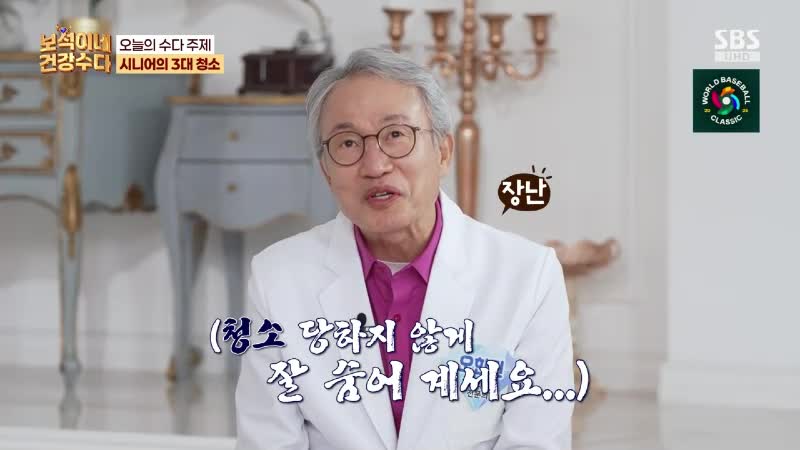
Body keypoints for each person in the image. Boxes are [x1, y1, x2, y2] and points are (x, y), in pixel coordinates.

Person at [235, 47, 574, 450]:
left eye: (396, 135)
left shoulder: (528, 275)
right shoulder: (276, 278)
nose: (375, 165)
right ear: (326, 172)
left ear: (443, 152)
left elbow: (535, 442)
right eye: (347, 143)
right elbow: (268, 441)